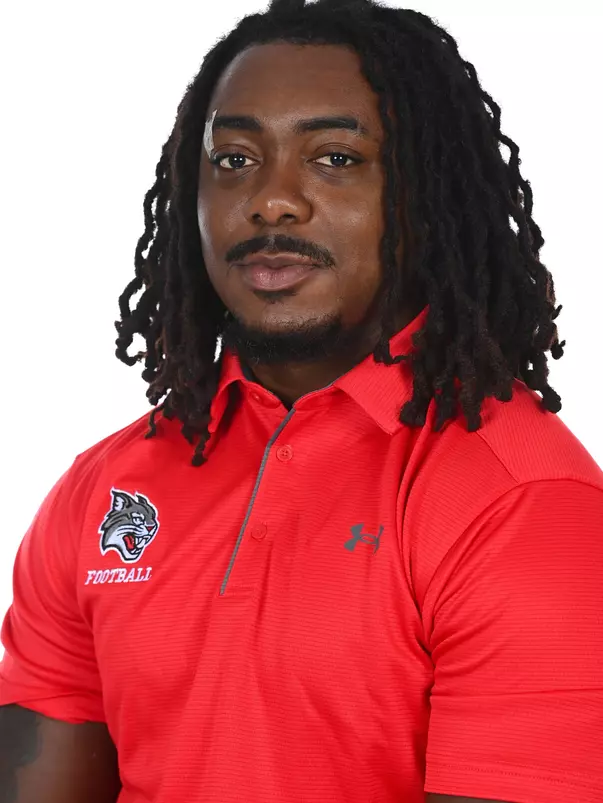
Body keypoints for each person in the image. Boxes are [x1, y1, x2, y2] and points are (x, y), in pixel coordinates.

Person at [1, 0, 602, 800]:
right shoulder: (102, 491)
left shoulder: (521, 500)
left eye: (335, 158)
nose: (271, 201)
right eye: (234, 160)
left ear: (423, 198)